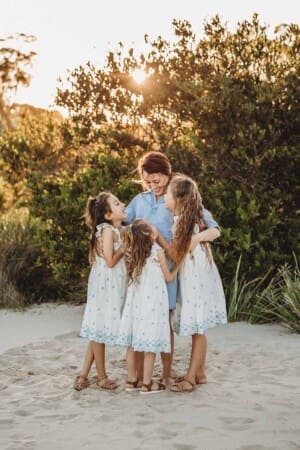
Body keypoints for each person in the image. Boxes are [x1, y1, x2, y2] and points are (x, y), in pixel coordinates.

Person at [124, 151, 220, 385]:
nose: (152, 185)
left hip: (173, 268)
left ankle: (166, 374)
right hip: (146, 271)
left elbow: (213, 228)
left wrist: (193, 240)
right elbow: (123, 225)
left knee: (166, 319)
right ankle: (136, 375)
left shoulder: (180, 195)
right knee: (142, 317)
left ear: (167, 175)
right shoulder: (140, 201)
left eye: (156, 180)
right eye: (147, 180)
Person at [163, 174, 227, 393]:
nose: (165, 197)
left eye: (168, 193)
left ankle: (191, 379)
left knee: (198, 328)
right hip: (193, 274)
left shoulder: (190, 218)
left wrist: (157, 240)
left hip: (195, 277)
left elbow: (176, 253)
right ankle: (199, 373)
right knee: (197, 328)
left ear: (179, 199)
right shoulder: (183, 217)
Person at [117, 219, 178, 394]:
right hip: (152, 305)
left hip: (135, 305)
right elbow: (168, 278)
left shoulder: (132, 254)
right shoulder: (157, 253)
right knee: (150, 345)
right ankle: (146, 384)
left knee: (132, 343)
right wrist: (178, 266)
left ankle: (131, 380)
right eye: (153, 230)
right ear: (151, 237)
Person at [74, 191, 127, 391]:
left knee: (97, 330)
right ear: (107, 215)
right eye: (117, 203)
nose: (122, 203)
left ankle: (83, 374)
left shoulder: (119, 230)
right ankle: (102, 376)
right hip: (106, 285)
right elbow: (110, 261)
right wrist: (125, 247)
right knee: (99, 330)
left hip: (113, 284)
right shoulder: (106, 230)